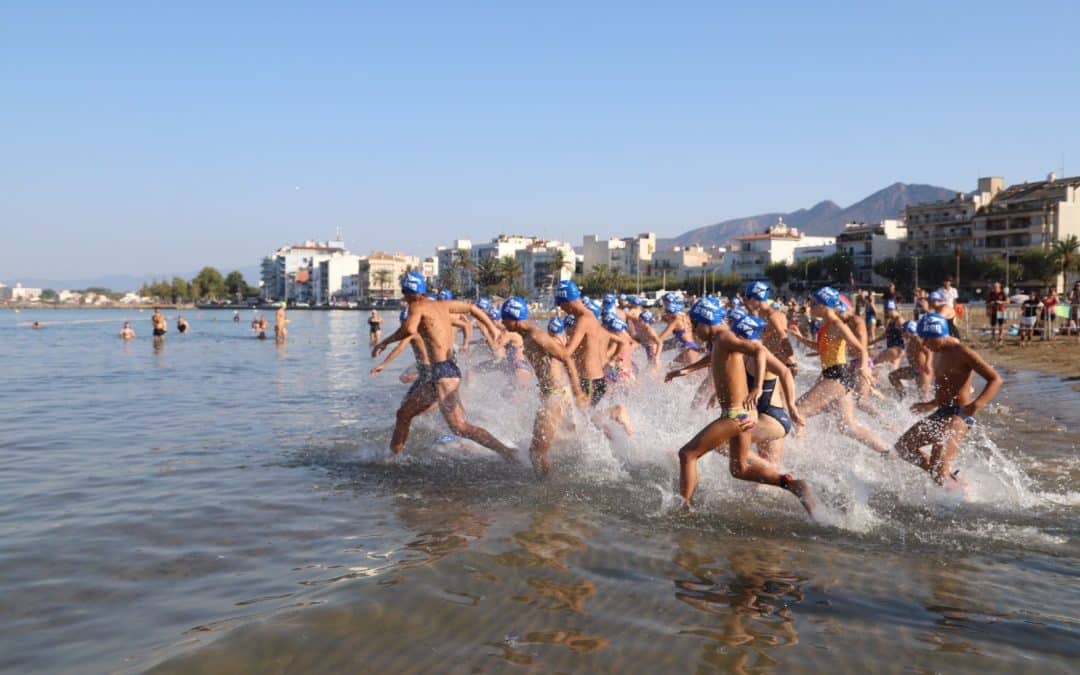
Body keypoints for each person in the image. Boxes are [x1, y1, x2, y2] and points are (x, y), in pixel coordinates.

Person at [665, 298, 815, 515]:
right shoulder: (719, 340)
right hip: (743, 415)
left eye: (695, 325)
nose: (694, 331)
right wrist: (683, 371)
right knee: (740, 469)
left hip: (737, 415)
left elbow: (760, 351)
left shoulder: (725, 337)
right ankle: (793, 484)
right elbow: (712, 358)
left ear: (706, 321)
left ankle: (684, 508)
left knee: (687, 454)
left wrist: (758, 388)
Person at [373, 272, 515, 460]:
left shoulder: (417, 306)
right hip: (444, 371)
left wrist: (385, 341)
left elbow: (409, 329)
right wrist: (492, 327)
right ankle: (392, 458)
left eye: (404, 293)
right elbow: (472, 308)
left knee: (459, 426)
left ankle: (507, 452)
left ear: (408, 293)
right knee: (404, 414)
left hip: (442, 373)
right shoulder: (442, 306)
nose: (404, 297)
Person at [895, 313, 1002, 490]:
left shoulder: (962, 352)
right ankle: (954, 484)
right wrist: (930, 404)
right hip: (942, 412)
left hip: (959, 415)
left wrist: (975, 405)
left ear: (938, 334)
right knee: (904, 447)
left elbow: (995, 379)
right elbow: (947, 386)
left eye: (926, 338)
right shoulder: (938, 351)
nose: (923, 344)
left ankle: (955, 498)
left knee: (939, 468)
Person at [789, 287, 889, 454]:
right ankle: (885, 451)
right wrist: (800, 338)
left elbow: (861, 349)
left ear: (823, 306)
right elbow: (821, 348)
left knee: (798, 411)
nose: (809, 307)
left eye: (812, 303)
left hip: (836, 377)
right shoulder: (825, 325)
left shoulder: (837, 324)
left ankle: (799, 456)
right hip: (837, 377)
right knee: (847, 427)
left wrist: (864, 368)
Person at [500, 297, 588, 478]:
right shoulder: (527, 336)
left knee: (537, 452)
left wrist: (578, 391)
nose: (502, 322)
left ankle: (547, 492)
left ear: (515, 319)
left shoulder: (536, 336)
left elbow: (567, 357)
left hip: (555, 395)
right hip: (551, 394)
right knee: (558, 441)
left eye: (504, 318)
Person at [730, 313, 805, 471]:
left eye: (737, 336)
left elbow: (785, 372)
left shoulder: (762, 354)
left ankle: (782, 476)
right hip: (762, 416)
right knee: (765, 481)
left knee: (725, 443)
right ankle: (788, 481)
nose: (733, 340)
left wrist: (792, 407)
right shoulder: (746, 354)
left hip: (773, 418)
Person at [557, 281, 633, 435]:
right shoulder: (590, 317)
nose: (561, 309)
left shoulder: (583, 319)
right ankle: (613, 440)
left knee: (585, 421)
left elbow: (567, 352)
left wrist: (547, 347)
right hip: (593, 379)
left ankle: (615, 412)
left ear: (568, 301)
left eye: (561, 304)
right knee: (586, 422)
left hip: (589, 380)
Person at [743, 282, 798, 376]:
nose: (746, 301)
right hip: (768, 363)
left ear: (754, 298)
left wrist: (792, 363)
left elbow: (784, 338)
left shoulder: (773, 316)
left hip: (778, 364)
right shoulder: (762, 315)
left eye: (747, 298)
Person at [888, 320, 933, 400]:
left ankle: (932, 409)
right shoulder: (910, 341)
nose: (902, 333)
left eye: (904, 331)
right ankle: (903, 396)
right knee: (892, 376)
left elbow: (929, 352)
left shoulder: (918, 340)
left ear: (910, 330)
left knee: (924, 398)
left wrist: (928, 365)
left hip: (923, 371)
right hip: (914, 370)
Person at [869, 300, 905, 367]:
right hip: (896, 350)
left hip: (895, 349)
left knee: (873, 363)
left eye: (885, 311)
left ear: (890, 309)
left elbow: (908, 334)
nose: (884, 313)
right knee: (892, 372)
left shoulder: (899, 320)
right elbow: (885, 335)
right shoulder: (892, 320)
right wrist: (872, 342)